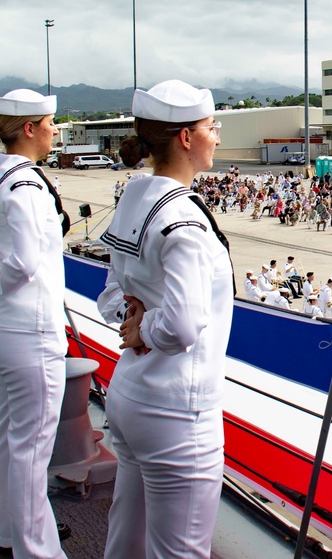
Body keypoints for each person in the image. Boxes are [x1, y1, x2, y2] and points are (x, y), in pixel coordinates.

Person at [96, 80, 234, 558]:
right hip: (178, 410)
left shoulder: (135, 200)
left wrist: (134, 322)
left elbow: (111, 295)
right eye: (211, 127)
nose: (217, 135)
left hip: (130, 394)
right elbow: (180, 326)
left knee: (126, 538)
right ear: (186, 138)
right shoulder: (185, 222)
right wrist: (149, 327)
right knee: (178, 551)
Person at [0, 89, 70, 557]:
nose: (56, 130)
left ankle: (12, 535)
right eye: (50, 122)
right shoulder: (27, 185)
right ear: (29, 128)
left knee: (13, 438)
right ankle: (38, 551)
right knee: (32, 449)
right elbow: (28, 260)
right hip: (27, 328)